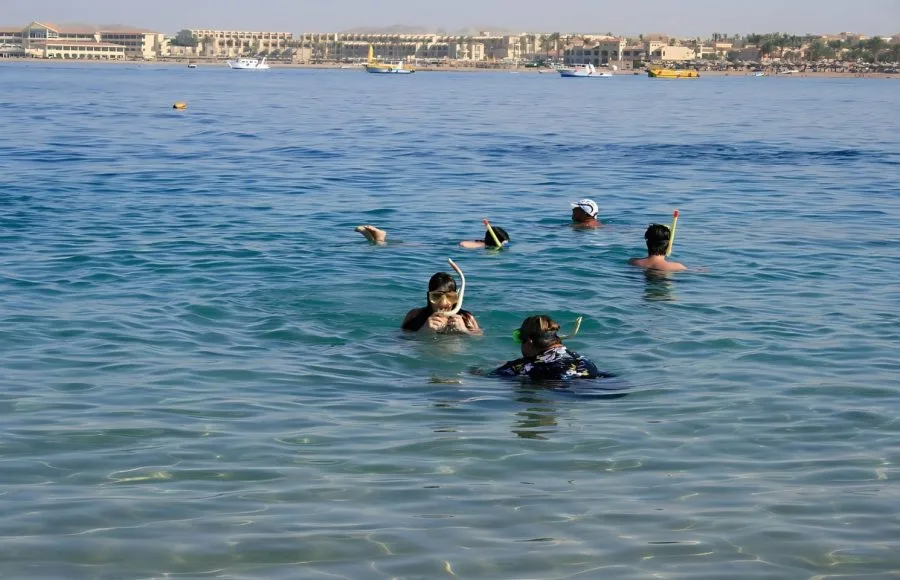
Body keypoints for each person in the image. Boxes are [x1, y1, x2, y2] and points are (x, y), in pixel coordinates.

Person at [491, 315, 603, 380]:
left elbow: (488, 375)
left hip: (558, 394)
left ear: (529, 342)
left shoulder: (526, 366)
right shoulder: (582, 359)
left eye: (520, 339)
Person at [402, 272, 481, 334]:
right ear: (429, 297)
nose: (443, 303)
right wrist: (423, 330)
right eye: (436, 296)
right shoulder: (414, 315)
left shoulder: (467, 318)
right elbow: (400, 341)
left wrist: (465, 330)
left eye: (450, 297)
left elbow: (479, 338)